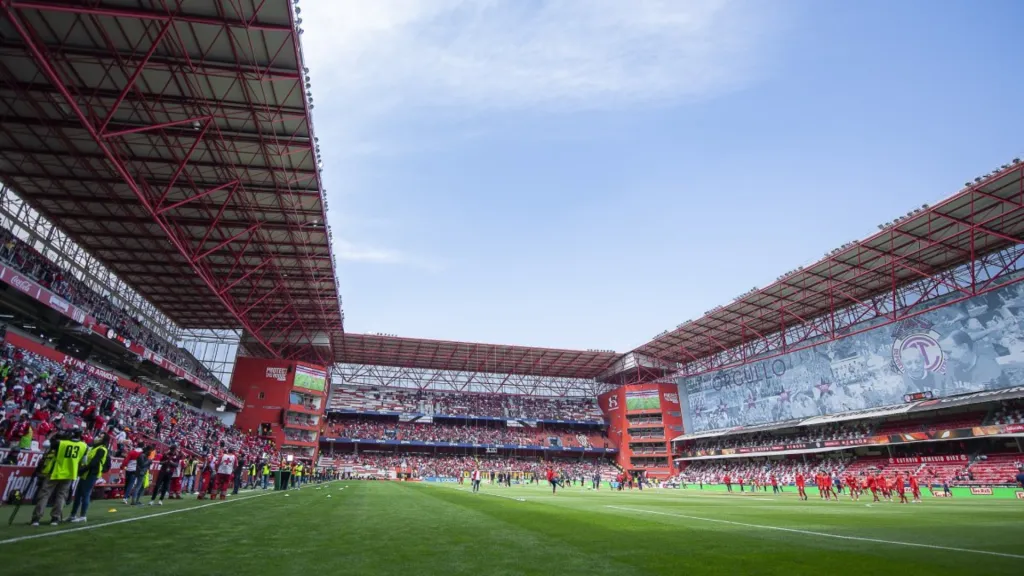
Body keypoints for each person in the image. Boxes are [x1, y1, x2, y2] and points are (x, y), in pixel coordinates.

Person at [31, 428, 88, 526]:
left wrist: (51, 435)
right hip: (70, 474)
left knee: (45, 494)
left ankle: (36, 518)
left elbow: (45, 444)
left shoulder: (61, 443)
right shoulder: (84, 446)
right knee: (61, 496)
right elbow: (84, 462)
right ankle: (55, 518)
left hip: (56, 472)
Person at [69, 432, 110, 523]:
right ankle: (72, 515)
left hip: (91, 474)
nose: (98, 437)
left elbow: (94, 463)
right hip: (86, 473)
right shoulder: (94, 448)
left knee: (85, 495)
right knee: (78, 494)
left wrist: (83, 470)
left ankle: (83, 515)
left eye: (100, 437)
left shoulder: (102, 449)